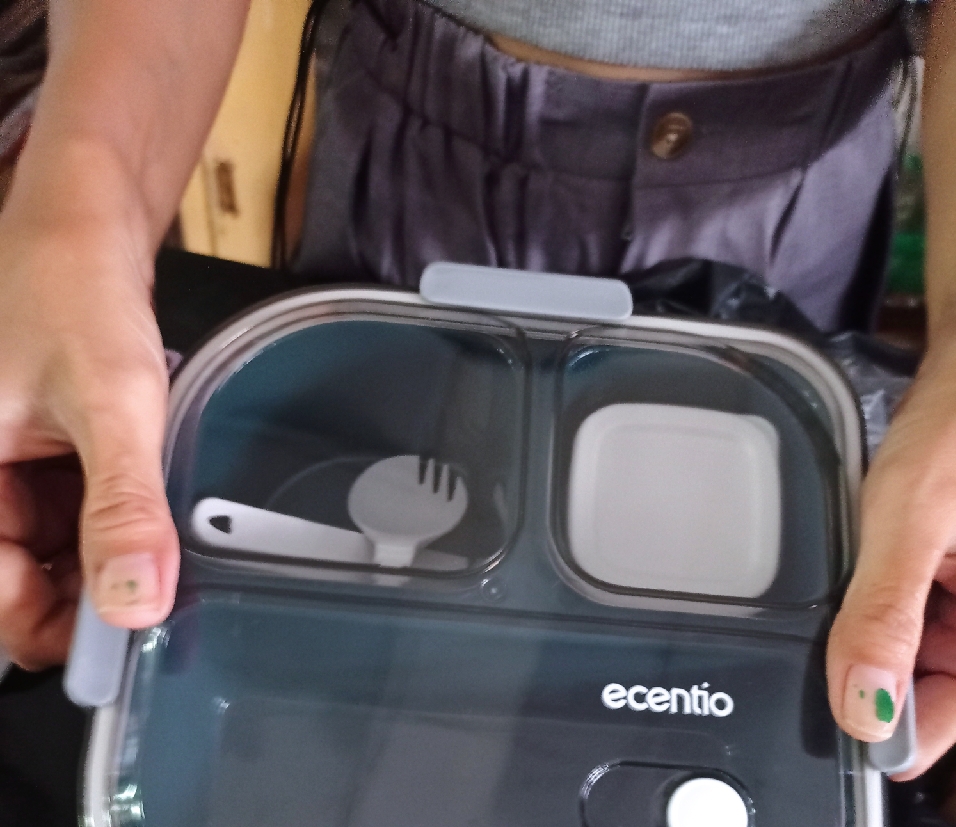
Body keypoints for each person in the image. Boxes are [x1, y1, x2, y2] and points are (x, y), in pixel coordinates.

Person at [0, 0, 955, 779]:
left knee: (708, 657)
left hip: (787, 206)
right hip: (414, 158)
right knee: (359, 637)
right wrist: (81, 215)